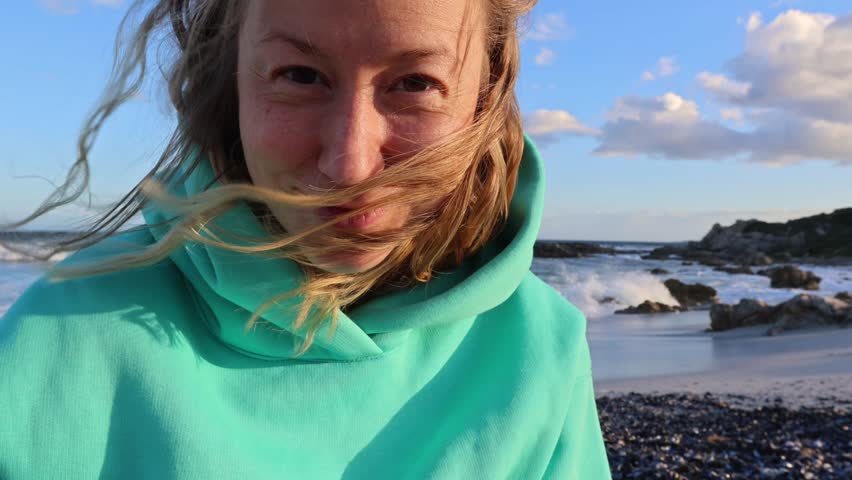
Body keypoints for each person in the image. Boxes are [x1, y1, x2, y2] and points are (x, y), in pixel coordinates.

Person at [0, 0, 612, 478]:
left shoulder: (539, 348)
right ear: (230, 74)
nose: (349, 162)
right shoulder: (62, 336)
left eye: (416, 83)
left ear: (487, 89)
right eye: (300, 74)